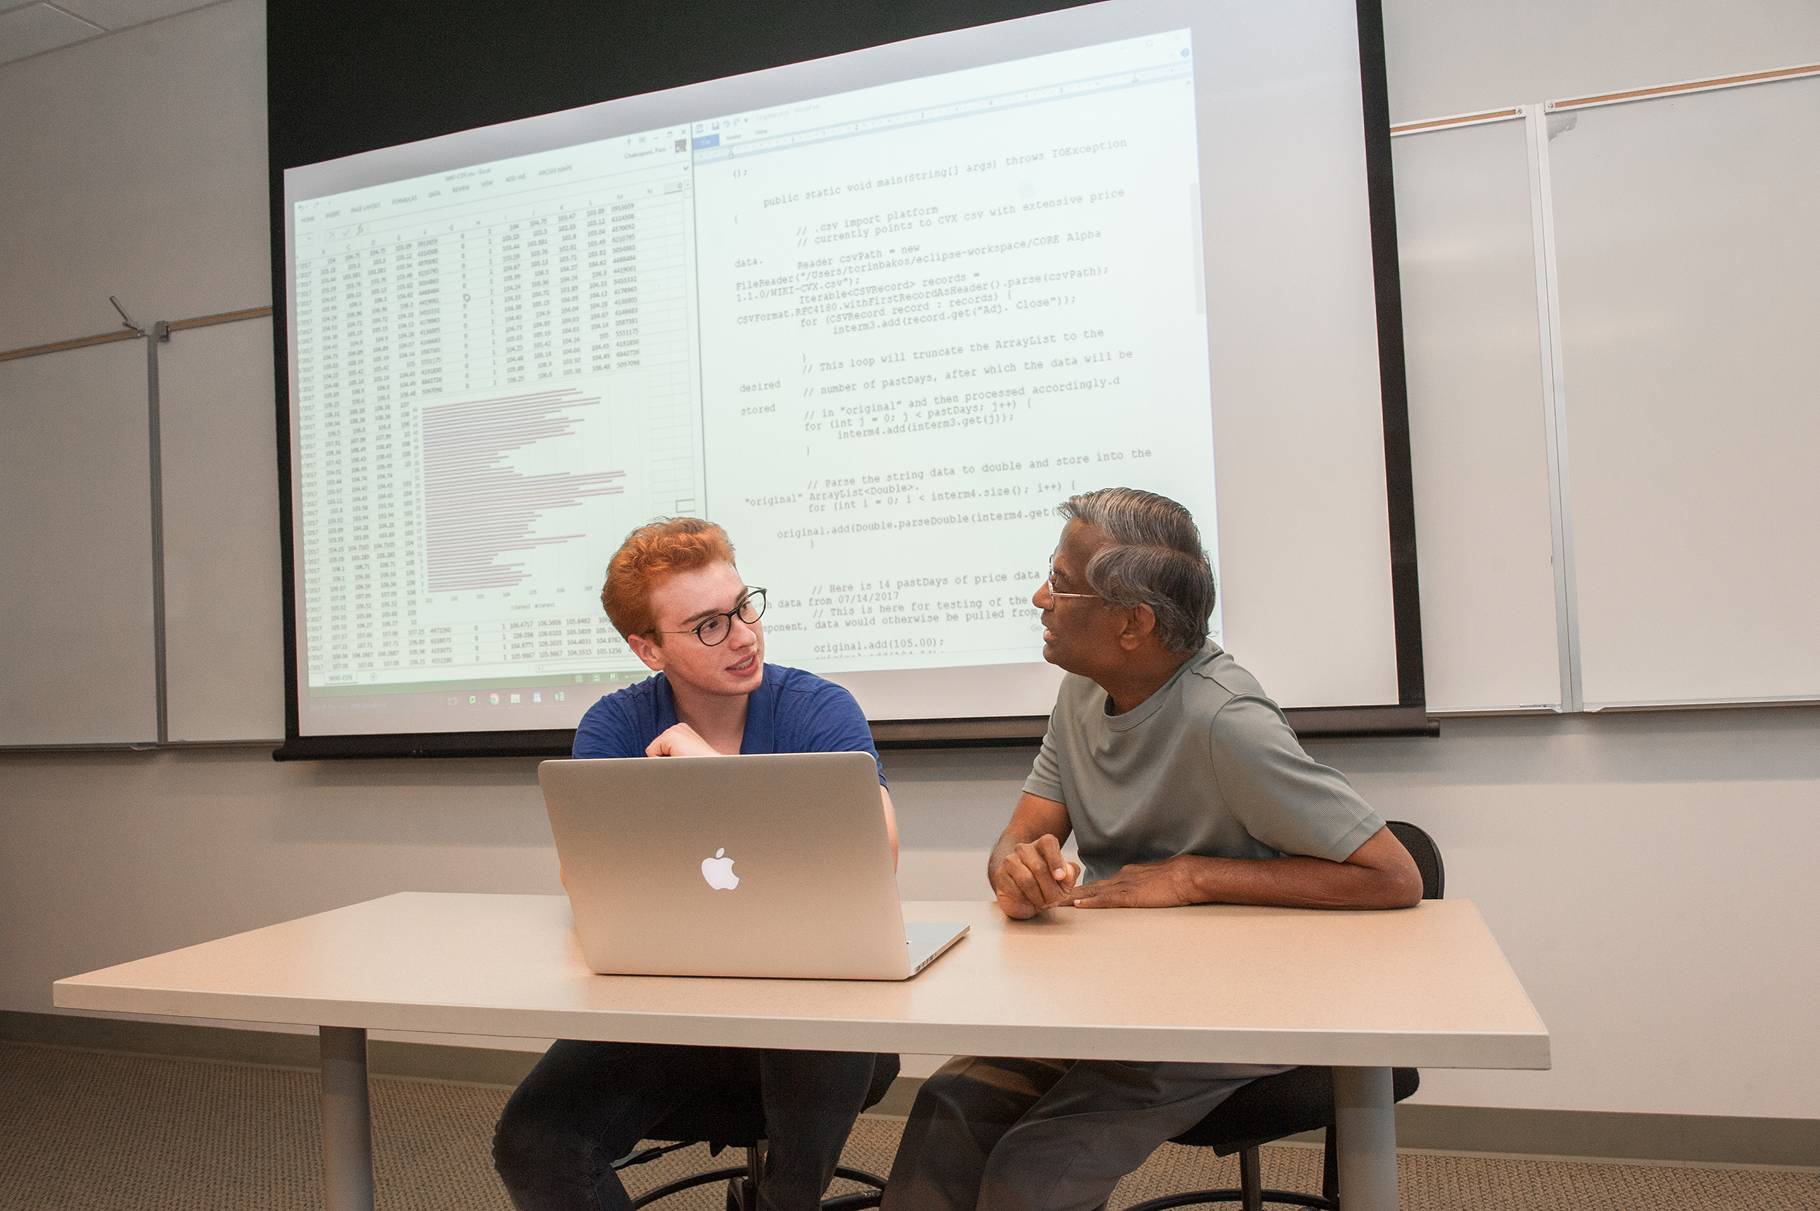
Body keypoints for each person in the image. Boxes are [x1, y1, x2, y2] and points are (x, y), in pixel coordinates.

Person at [881, 487, 1422, 1211]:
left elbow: (1393, 875)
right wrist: (1017, 866)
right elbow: (1022, 833)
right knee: (950, 1103)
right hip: (1113, 992)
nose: (1040, 595)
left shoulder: (1226, 720)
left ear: (1133, 621)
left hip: (1232, 1004)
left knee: (1034, 1166)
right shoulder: (1081, 690)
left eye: (1062, 583)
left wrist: (1194, 876)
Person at [493, 517, 897, 1211]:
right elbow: (590, 882)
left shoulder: (818, 709)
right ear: (648, 648)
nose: (743, 634)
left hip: (811, 1010)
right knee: (532, 1140)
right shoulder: (615, 727)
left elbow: (878, 855)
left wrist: (715, 778)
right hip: (667, 1012)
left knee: (827, 1036)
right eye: (709, 624)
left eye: (743, 606)